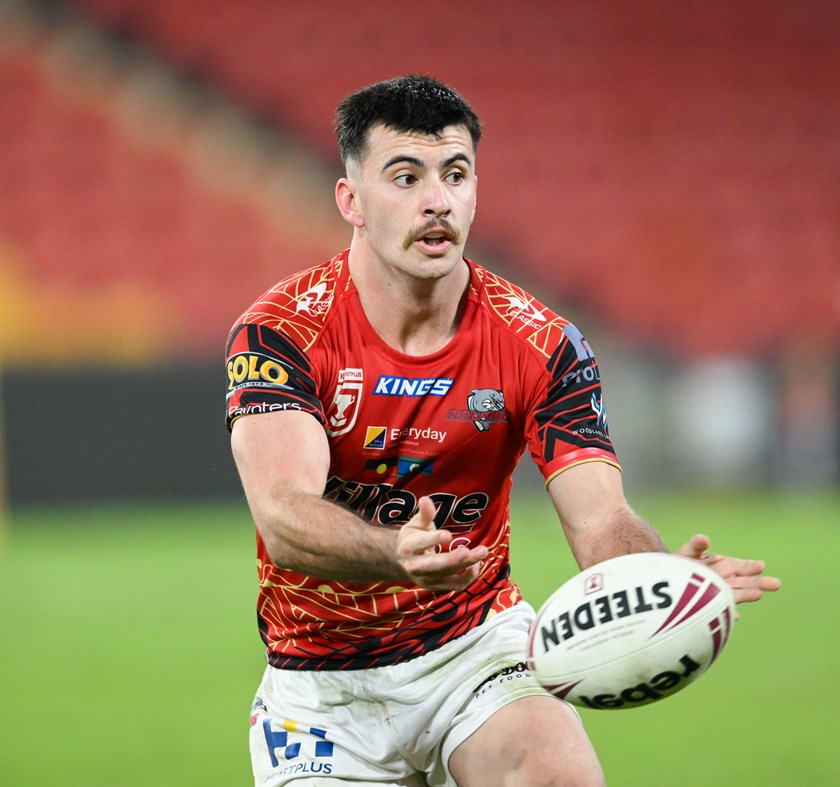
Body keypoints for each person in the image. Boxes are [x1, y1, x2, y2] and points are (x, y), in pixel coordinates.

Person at [225, 75, 780, 787]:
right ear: (350, 201)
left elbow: (601, 515)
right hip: (321, 690)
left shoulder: (541, 343)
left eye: (455, 175)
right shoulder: (283, 329)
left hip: (475, 650)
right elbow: (283, 513)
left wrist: (659, 581)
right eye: (406, 176)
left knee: (560, 775)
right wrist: (394, 551)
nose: (437, 200)